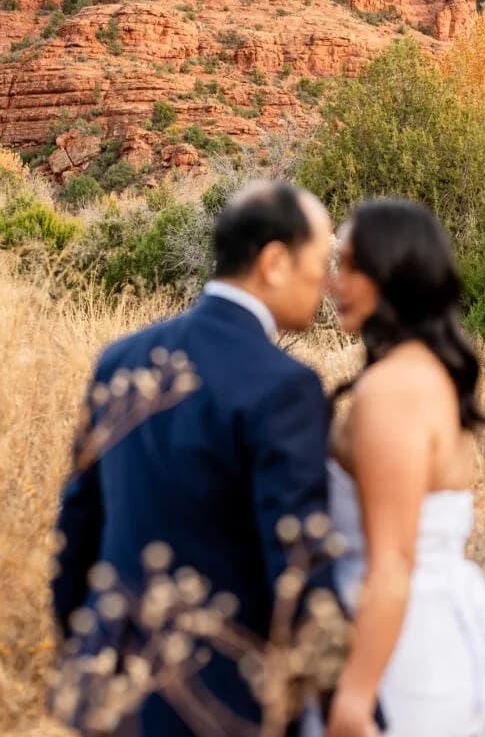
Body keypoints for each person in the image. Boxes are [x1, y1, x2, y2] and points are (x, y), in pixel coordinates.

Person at [51, 182, 360, 736]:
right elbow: (297, 563)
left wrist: (85, 657)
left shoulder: (120, 359)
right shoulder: (285, 386)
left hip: (107, 691)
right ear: (273, 262)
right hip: (217, 699)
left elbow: (76, 527)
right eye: (318, 267)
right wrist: (348, 708)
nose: (325, 286)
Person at [320, 198, 485, 737]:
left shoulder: (394, 389)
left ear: (390, 273)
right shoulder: (421, 372)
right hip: (416, 631)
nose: (334, 283)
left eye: (349, 266)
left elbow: (393, 561)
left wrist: (354, 698)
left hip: (399, 656)